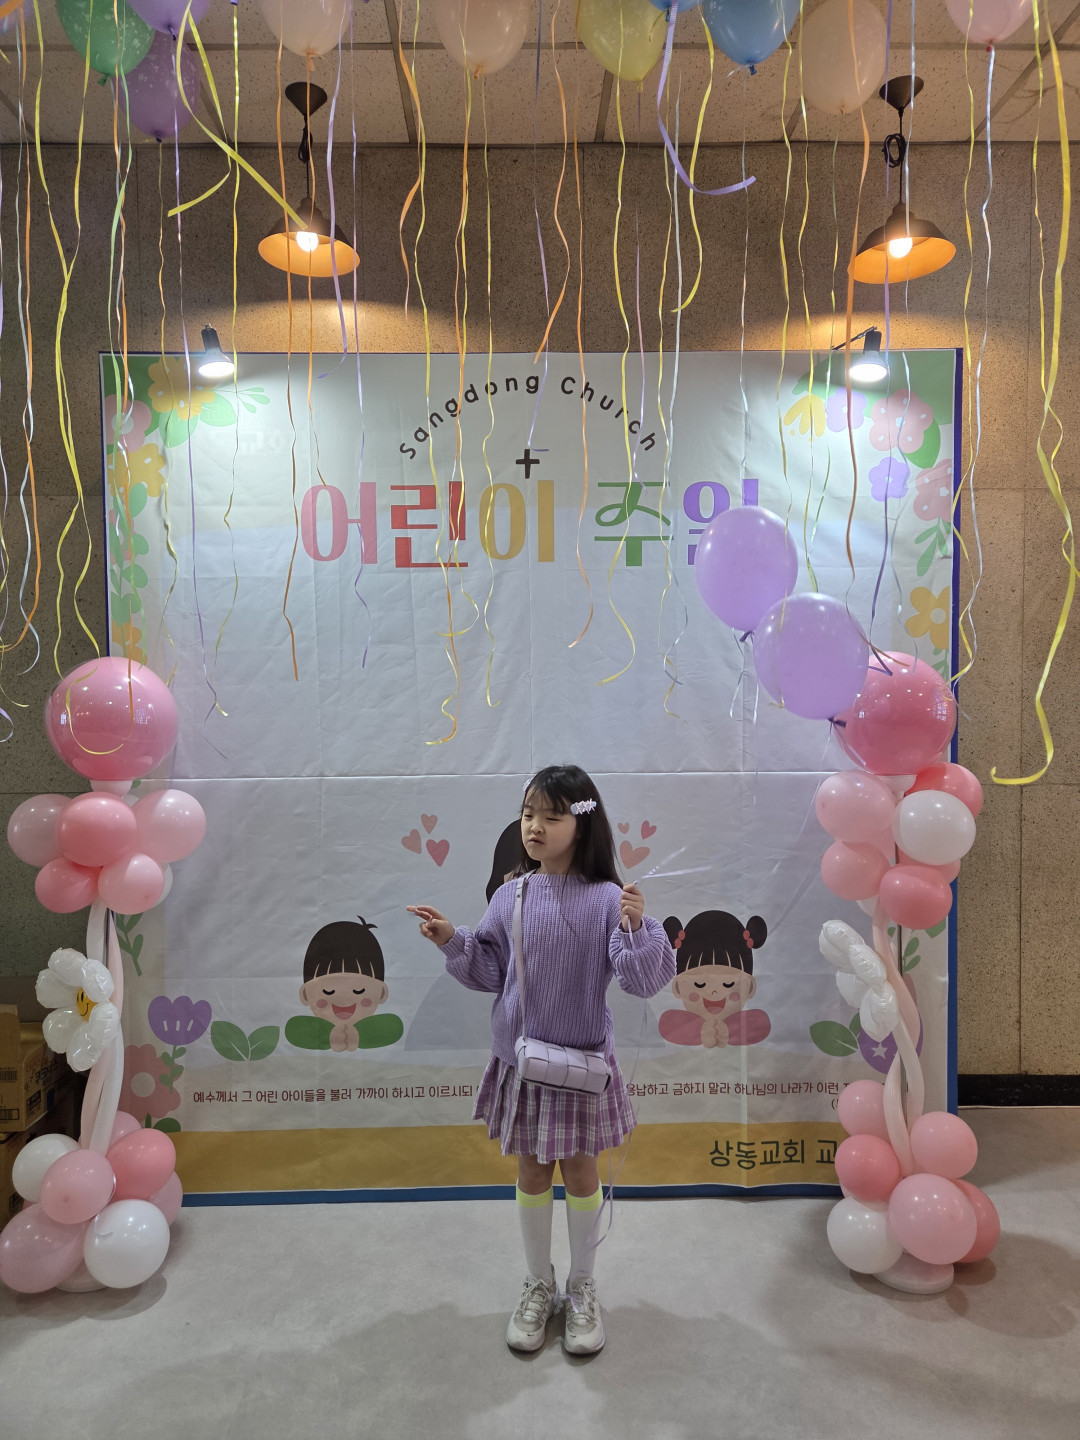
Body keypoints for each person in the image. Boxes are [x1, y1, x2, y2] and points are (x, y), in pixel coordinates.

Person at [408, 765, 675, 1356]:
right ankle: (538, 1282)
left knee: (580, 1172)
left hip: (580, 1068)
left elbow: (642, 980)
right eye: (529, 813)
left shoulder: (607, 901)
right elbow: (490, 972)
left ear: (582, 825)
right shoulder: (511, 895)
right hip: (524, 1065)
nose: (535, 826)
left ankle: (582, 1286)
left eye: (551, 816)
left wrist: (635, 927)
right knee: (531, 1171)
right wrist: (451, 939)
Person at [658, 911, 771, 1049]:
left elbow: (762, 1023)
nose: (714, 992)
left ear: (751, 987)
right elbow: (666, 1024)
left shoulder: (750, 1022)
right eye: (699, 984)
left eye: (728, 984)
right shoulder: (677, 1022)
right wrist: (700, 1031)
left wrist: (728, 1031)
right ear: (677, 987)